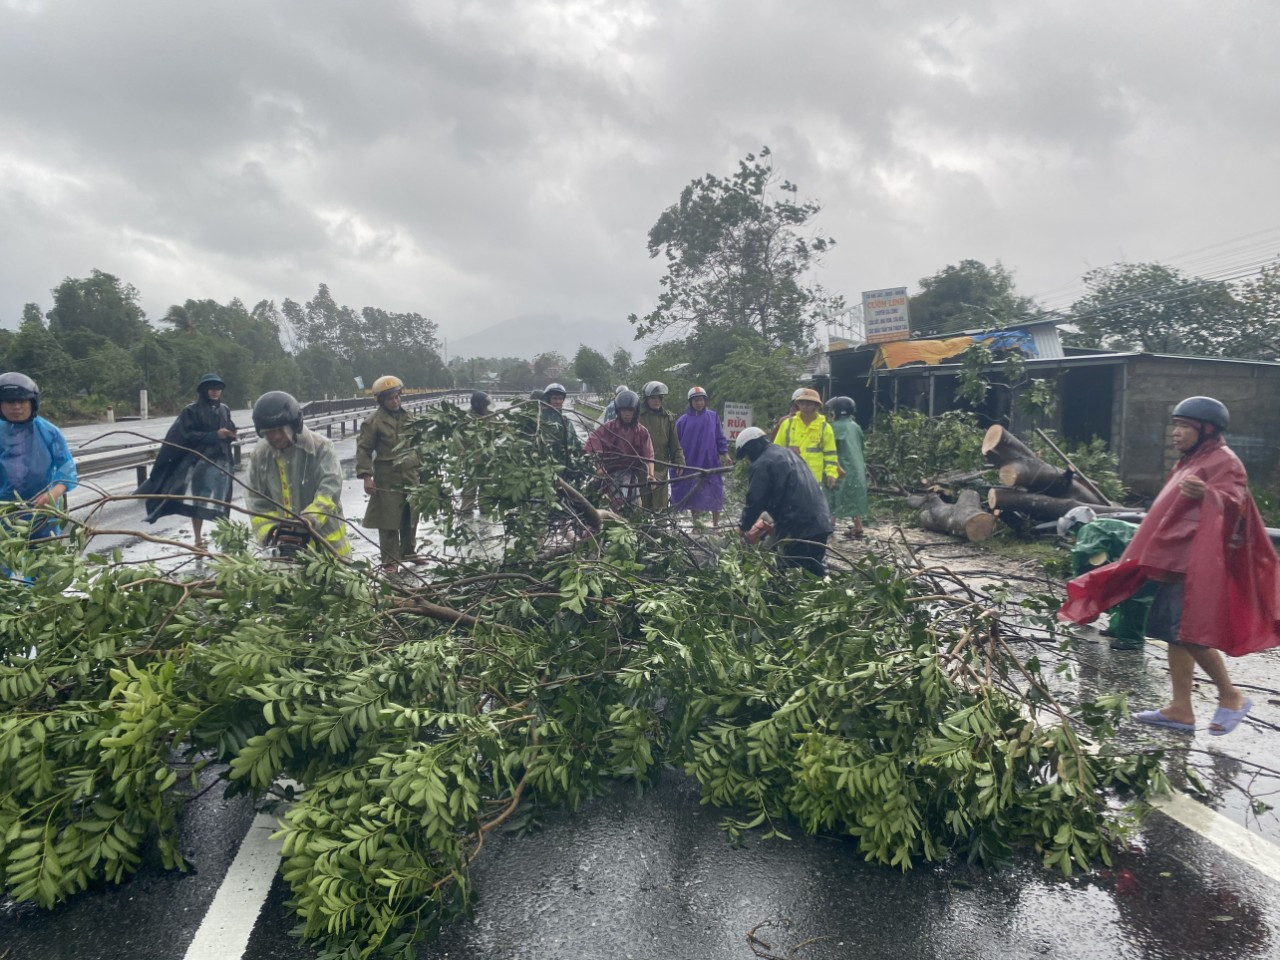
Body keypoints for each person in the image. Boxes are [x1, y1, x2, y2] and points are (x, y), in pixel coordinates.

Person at [1060, 397, 1280, 735]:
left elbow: (1237, 507)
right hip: (1175, 561)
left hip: (1196, 566)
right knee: (1174, 635)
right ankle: (1181, 709)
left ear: (1206, 430)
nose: (1175, 433)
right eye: (1175, 425)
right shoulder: (1191, 460)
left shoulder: (1224, 462)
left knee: (1189, 634)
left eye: (1184, 427)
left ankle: (1231, 696)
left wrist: (1209, 494)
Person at [136, 372, 238, 549]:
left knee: (223, 500)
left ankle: (225, 538)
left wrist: (230, 434)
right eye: (212, 388)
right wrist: (212, 436)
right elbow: (184, 435)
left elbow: (228, 428)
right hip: (200, 462)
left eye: (218, 389)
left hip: (222, 461)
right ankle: (198, 539)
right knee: (198, 500)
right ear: (204, 390)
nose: (215, 392)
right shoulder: (191, 411)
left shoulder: (224, 410)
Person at [245, 390, 350, 558]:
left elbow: (330, 489)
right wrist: (273, 533)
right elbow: (256, 501)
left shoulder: (319, 448)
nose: (276, 437)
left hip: (327, 548)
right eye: (270, 432)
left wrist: (308, 520)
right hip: (286, 549)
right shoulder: (261, 456)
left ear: (294, 425)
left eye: (281, 430)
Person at [735, 425, 834, 577]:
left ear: (752, 447)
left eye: (747, 454)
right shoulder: (787, 453)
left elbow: (755, 501)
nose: (748, 459)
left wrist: (742, 528)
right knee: (813, 570)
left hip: (799, 526)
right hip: (820, 520)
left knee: (784, 572)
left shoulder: (762, 463)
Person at [0, 372, 77, 545]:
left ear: (32, 403)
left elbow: (67, 468)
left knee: (44, 563)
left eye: (22, 401)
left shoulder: (49, 432)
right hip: (3, 514)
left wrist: (54, 493)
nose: (16, 407)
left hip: (41, 511)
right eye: (10, 402)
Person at [355, 376, 420, 569]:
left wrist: (425, 472)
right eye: (390, 398)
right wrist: (367, 477)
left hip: (410, 474)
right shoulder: (373, 422)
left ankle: (409, 552)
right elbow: (364, 449)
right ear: (381, 400)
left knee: (411, 516)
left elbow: (419, 446)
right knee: (389, 520)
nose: (395, 401)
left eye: (397, 397)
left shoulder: (410, 418)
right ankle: (390, 561)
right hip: (387, 476)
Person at [670, 386, 731, 526]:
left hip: (710, 462)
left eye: (702, 400)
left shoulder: (713, 416)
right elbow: (675, 444)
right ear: (691, 402)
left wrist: (725, 454)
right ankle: (696, 525)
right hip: (691, 462)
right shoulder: (682, 421)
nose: (699, 403)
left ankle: (716, 525)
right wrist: (677, 462)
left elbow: (720, 438)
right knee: (693, 493)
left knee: (715, 492)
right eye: (696, 400)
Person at [584, 389, 654, 510]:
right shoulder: (607, 428)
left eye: (630, 411)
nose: (627, 414)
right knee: (594, 502)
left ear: (635, 411)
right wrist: (599, 467)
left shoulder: (642, 431)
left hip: (631, 476)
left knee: (635, 508)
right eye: (624, 410)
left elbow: (649, 455)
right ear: (618, 411)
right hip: (608, 475)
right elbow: (590, 446)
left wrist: (651, 475)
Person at [773, 388, 838, 491]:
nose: (804, 407)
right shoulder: (788, 424)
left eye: (808, 404)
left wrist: (831, 473)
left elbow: (830, 455)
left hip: (813, 479)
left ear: (816, 406)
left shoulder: (824, 427)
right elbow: (776, 449)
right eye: (801, 403)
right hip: (790, 476)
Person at [637, 381, 684, 513]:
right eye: (653, 398)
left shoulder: (668, 418)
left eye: (658, 398)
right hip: (641, 467)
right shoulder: (638, 417)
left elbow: (675, 444)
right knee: (642, 504)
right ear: (646, 399)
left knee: (661, 506)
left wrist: (679, 461)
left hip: (661, 467)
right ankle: (642, 531)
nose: (656, 401)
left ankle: (659, 531)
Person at [824, 396, 868, 539]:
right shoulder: (855, 426)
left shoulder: (833, 427)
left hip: (840, 466)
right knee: (853, 496)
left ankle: (829, 525)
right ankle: (858, 527)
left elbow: (828, 448)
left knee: (833, 494)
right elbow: (861, 446)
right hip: (857, 467)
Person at [538, 382, 582, 470]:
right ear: (548, 399)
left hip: (563, 463)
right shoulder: (539, 418)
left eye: (560, 398)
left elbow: (575, 442)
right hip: (544, 462)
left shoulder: (566, 421)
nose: (557, 401)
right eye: (554, 398)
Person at [460, 391, 490, 515]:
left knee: (487, 486)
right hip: (471, 459)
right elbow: (461, 441)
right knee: (470, 487)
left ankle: (486, 509)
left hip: (488, 459)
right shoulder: (466, 419)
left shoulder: (490, 416)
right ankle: (466, 510)